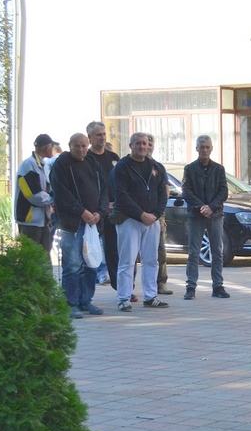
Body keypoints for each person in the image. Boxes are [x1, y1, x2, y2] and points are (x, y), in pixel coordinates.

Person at [50, 133, 108, 319]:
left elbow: (104, 190)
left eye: (84, 145)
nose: (82, 149)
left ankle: (86, 300)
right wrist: (81, 211)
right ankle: (70, 303)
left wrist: (100, 212)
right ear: (70, 145)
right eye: (77, 146)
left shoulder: (92, 162)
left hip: (93, 223)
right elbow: (62, 193)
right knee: (73, 265)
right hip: (71, 224)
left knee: (91, 263)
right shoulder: (62, 164)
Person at [113, 132, 169, 311]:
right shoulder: (122, 166)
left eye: (145, 143)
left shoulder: (156, 167)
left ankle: (151, 296)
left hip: (152, 221)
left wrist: (156, 214)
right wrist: (141, 214)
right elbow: (121, 195)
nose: (142, 147)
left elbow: (163, 194)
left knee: (151, 260)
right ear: (131, 146)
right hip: (129, 219)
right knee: (127, 261)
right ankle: (123, 298)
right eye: (138, 143)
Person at [181, 135, 230, 299]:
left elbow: (223, 191)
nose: (204, 150)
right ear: (196, 148)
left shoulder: (219, 169)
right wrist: (201, 206)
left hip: (215, 215)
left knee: (217, 251)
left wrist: (211, 207)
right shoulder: (189, 169)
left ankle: (218, 286)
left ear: (211, 149)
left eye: (207, 147)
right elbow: (186, 191)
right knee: (194, 252)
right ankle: (191, 287)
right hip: (196, 215)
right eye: (201, 147)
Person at [86, 121, 118, 285]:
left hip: (112, 211)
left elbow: (121, 184)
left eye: (104, 134)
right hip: (93, 212)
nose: (102, 137)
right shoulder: (85, 158)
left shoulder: (113, 158)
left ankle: (119, 286)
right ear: (90, 137)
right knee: (91, 250)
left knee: (113, 250)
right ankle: (90, 285)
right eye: (98, 135)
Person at [15, 133, 56, 253]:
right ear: (46, 147)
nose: (53, 149)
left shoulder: (41, 164)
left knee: (44, 255)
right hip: (30, 221)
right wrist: (54, 199)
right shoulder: (29, 165)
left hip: (42, 220)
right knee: (31, 256)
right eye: (52, 146)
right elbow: (33, 195)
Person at [147, 134, 173, 296]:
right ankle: (129, 288)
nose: (147, 147)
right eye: (144, 143)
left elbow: (165, 191)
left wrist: (160, 215)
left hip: (157, 216)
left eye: (150, 144)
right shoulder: (128, 165)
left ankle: (161, 283)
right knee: (132, 256)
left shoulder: (158, 167)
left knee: (160, 251)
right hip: (135, 216)